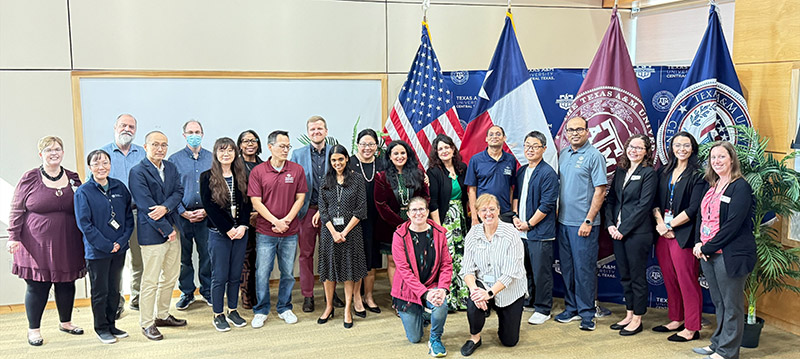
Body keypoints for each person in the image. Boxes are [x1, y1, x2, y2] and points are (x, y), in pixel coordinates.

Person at [7, 136, 86, 346]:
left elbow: (83, 204)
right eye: (49, 149)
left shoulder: (72, 177)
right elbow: (16, 209)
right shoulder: (30, 178)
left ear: (63, 152)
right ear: (40, 154)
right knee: (37, 286)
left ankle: (66, 322)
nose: (54, 152)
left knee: (67, 283)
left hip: (68, 241)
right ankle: (34, 330)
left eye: (58, 149)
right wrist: (13, 236)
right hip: (36, 244)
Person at [691, 141, 756, 359]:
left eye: (722, 157)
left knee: (732, 305)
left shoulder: (740, 187)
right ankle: (718, 343)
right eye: (713, 158)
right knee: (719, 302)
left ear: (732, 160)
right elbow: (702, 217)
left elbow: (733, 226)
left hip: (730, 255)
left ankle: (728, 352)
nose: (717, 161)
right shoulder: (713, 186)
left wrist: (708, 246)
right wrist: (699, 244)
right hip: (708, 253)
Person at [129, 131, 187, 341]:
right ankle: (147, 323)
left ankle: (162, 315)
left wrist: (165, 207)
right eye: (155, 144)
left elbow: (178, 192)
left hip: (173, 228)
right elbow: (145, 205)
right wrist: (167, 229)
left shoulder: (171, 167)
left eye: (164, 145)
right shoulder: (138, 172)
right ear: (145, 147)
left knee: (170, 276)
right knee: (150, 280)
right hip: (153, 233)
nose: (160, 148)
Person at [74, 149, 134, 344]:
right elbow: (85, 224)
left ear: (110, 165)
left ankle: (112, 324)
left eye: (105, 163)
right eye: (96, 163)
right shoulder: (84, 191)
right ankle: (101, 328)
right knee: (100, 290)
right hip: (97, 251)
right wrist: (107, 245)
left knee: (115, 289)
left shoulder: (119, 187)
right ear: (90, 167)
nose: (101, 167)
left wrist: (121, 242)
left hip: (119, 249)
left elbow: (127, 219)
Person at [248, 130, 307, 328]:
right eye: (282, 146)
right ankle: (261, 310)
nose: (285, 150)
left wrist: (287, 220)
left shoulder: (296, 170)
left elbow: (300, 198)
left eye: (288, 146)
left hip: (290, 232)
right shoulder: (258, 171)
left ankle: (284, 307)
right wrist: (275, 221)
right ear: (270, 147)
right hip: (265, 232)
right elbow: (256, 202)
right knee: (262, 272)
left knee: (288, 272)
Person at [556, 116, 608, 331]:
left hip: (584, 225)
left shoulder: (594, 156)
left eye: (579, 129)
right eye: (570, 130)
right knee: (567, 268)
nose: (574, 133)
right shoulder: (564, 154)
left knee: (584, 270)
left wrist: (588, 220)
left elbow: (600, 190)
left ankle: (587, 312)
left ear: (588, 131)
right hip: (563, 223)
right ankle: (571, 308)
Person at [459, 194, 527, 357]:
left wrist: (489, 293)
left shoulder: (511, 234)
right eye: (483, 210)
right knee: (473, 302)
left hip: (510, 290)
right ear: (477, 212)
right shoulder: (473, 234)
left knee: (509, 341)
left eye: (492, 209)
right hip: (483, 284)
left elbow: (511, 273)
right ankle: (475, 338)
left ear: (498, 210)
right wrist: (476, 292)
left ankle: (502, 318)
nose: (488, 213)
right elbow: (467, 269)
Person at [652, 131, 704, 342]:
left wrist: (670, 224)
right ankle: (676, 318)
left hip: (684, 233)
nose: (681, 149)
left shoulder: (698, 174)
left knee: (687, 280)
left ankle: (692, 327)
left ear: (693, 148)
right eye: (677, 145)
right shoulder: (664, 171)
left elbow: (694, 208)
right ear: (671, 148)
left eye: (686, 145)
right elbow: (654, 201)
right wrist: (660, 224)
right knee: (670, 278)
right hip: (662, 232)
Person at [605, 134, 657, 336]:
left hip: (637, 234)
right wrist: (610, 225)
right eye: (631, 146)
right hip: (616, 232)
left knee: (636, 277)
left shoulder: (648, 173)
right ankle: (629, 313)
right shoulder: (620, 171)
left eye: (639, 147)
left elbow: (644, 206)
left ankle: (638, 318)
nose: (634, 150)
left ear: (646, 152)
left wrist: (623, 229)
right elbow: (610, 200)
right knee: (625, 276)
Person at [200, 137, 253, 332]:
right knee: (219, 276)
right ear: (215, 153)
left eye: (230, 150)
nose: (226, 154)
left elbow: (247, 203)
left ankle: (232, 310)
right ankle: (218, 314)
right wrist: (228, 229)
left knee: (235, 274)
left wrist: (243, 226)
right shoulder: (207, 177)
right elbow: (210, 207)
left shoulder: (242, 174)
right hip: (219, 234)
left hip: (240, 233)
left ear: (235, 153)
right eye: (222, 150)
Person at [290, 115, 339, 313]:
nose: (316, 132)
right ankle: (308, 295)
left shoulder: (336, 152)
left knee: (331, 254)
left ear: (326, 132)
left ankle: (332, 292)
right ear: (308, 133)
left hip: (332, 210)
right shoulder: (298, 154)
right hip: (307, 211)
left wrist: (325, 209)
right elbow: (293, 184)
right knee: (306, 255)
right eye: (312, 130)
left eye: (320, 129)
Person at [391, 197, 451, 357]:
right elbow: (404, 271)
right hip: (408, 291)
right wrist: (424, 293)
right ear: (408, 214)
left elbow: (446, 264)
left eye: (422, 209)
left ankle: (435, 339)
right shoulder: (399, 236)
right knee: (415, 338)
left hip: (432, 285)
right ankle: (423, 313)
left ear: (427, 211)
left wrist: (443, 288)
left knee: (441, 305)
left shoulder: (439, 232)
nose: (419, 213)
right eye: (414, 210)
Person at [317, 145, 368, 328]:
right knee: (328, 272)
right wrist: (333, 232)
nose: (337, 163)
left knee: (349, 271)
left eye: (340, 159)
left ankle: (347, 308)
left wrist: (344, 232)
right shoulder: (325, 180)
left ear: (347, 158)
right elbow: (323, 210)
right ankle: (329, 306)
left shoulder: (356, 179)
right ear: (330, 162)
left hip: (351, 232)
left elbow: (361, 208)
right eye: (333, 160)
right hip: (329, 232)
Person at [512, 131, 559, 325]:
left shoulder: (548, 173)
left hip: (539, 232)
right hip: (521, 230)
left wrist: (529, 224)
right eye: (527, 145)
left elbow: (547, 205)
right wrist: (515, 216)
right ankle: (530, 300)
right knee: (527, 270)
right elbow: (516, 196)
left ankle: (543, 308)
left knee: (542, 272)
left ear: (544, 149)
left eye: (535, 146)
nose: (530, 150)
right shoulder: (522, 171)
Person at [101, 114, 146, 315]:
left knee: (139, 260)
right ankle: (116, 301)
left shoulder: (143, 154)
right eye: (123, 125)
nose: (127, 129)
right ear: (115, 127)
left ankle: (136, 298)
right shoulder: (103, 154)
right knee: (116, 261)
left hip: (138, 214)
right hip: (113, 217)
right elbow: (92, 185)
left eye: (131, 126)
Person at [168, 120, 213, 310]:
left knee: (207, 256)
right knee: (184, 258)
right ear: (184, 135)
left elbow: (217, 189)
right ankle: (187, 293)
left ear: (202, 134)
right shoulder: (174, 160)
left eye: (198, 131)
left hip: (206, 217)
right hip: (182, 217)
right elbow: (170, 190)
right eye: (190, 132)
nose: (194, 134)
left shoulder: (212, 158)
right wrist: (182, 212)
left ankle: (208, 291)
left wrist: (207, 209)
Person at [374, 140, 430, 291]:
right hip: (390, 226)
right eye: (396, 153)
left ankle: (415, 295)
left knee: (414, 261)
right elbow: (381, 204)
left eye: (403, 153)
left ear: (408, 155)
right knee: (393, 262)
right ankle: (398, 297)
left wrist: (417, 217)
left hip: (417, 224)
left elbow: (426, 197)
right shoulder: (381, 177)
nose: (400, 156)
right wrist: (401, 224)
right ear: (390, 157)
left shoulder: (419, 174)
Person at [427, 134, 469, 311]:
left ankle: (464, 298)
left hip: (461, 219)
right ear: (436, 152)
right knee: (448, 258)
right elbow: (433, 202)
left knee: (463, 257)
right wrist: (439, 228)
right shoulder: (434, 172)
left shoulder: (462, 168)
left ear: (453, 149)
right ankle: (449, 299)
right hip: (445, 220)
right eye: (440, 148)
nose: (444, 151)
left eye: (447, 147)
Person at [348, 129, 387, 313]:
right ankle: (356, 297)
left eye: (371, 144)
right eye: (364, 144)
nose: (367, 148)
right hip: (354, 219)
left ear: (377, 146)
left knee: (372, 259)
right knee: (358, 258)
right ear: (357, 144)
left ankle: (369, 296)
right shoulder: (349, 162)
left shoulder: (382, 163)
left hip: (376, 219)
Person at [465, 125, 517, 225]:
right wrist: (474, 217)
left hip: (504, 213)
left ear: (504, 138)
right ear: (486, 139)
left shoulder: (510, 160)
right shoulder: (476, 160)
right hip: (484, 213)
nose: (495, 137)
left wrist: (510, 212)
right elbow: (471, 190)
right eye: (491, 134)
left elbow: (510, 188)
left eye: (498, 134)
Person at [237, 129, 263, 309]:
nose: (250, 144)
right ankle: (246, 296)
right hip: (243, 218)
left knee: (261, 259)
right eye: (246, 141)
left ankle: (260, 295)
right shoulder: (235, 166)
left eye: (253, 140)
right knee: (246, 258)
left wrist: (259, 213)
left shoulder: (265, 165)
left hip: (263, 217)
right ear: (240, 145)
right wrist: (248, 215)